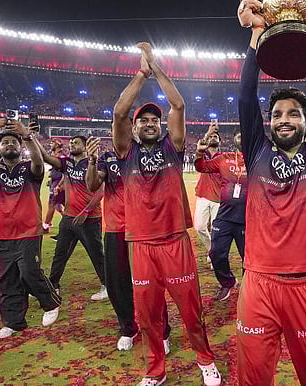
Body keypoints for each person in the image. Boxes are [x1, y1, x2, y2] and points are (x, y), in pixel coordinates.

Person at [235, 0, 306, 385]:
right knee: (252, 377)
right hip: (259, 284)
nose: (283, 119)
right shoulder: (257, 151)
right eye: (277, 114)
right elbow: (246, 99)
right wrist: (255, 36)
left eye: (293, 113)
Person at [112, 42, 219, 386]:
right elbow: (118, 112)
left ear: (160, 126)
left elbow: (178, 104)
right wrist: (140, 74)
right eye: (142, 120)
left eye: (153, 120)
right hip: (141, 244)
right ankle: (155, 371)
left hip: (175, 240)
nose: (148, 123)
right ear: (135, 127)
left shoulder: (173, 149)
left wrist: (155, 67)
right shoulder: (125, 151)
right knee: (148, 315)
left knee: (191, 310)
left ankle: (205, 361)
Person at [85, 136, 172, 352]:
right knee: (117, 283)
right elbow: (92, 184)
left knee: (152, 283)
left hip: (144, 228)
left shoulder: (148, 155)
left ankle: (161, 331)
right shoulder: (107, 158)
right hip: (116, 228)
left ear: (131, 130)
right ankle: (127, 328)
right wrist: (92, 162)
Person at [0, 118, 61, 339]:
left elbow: (38, 160)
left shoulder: (30, 170)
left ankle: (50, 303)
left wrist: (26, 135)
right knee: (7, 279)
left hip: (28, 230)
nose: (9, 145)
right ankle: (13, 323)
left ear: (20, 146)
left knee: (28, 272)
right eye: (4, 143)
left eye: (13, 142)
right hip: (0, 233)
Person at [40, 135, 108, 301]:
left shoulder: (93, 164)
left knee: (96, 254)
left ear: (85, 147)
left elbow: (101, 190)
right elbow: (45, 157)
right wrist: (31, 137)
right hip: (69, 218)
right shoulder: (67, 163)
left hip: (89, 218)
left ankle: (107, 285)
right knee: (60, 254)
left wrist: (86, 211)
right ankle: (54, 284)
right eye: (71, 143)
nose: (72, 145)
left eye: (76, 143)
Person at [194, 124, 247, 302]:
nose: (242, 137)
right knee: (216, 253)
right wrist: (200, 151)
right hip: (224, 216)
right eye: (238, 135)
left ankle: (249, 286)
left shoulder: (257, 160)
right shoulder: (224, 158)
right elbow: (201, 166)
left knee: (248, 257)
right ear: (233, 139)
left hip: (247, 218)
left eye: (245, 133)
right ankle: (227, 282)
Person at [193, 126, 222, 267]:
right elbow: (200, 147)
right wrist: (207, 133)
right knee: (199, 227)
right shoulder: (203, 154)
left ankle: (215, 256)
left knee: (215, 230)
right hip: (203, 195)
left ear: (220, 141)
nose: (212, 139)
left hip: (219, 199)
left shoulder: (224, 158)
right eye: (211, 137)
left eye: (215, 137)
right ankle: (213, 250)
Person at [43, 140, 66, 240]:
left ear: (57, 145)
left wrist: (59, 185)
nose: (50, 145)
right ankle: (49, 223)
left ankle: (46, 226)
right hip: (55, 183)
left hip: (58, 185)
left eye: (52, 143)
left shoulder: (61, 157)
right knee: (57, 206)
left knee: (52, 204)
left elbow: (64, 173)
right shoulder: (57, 156)